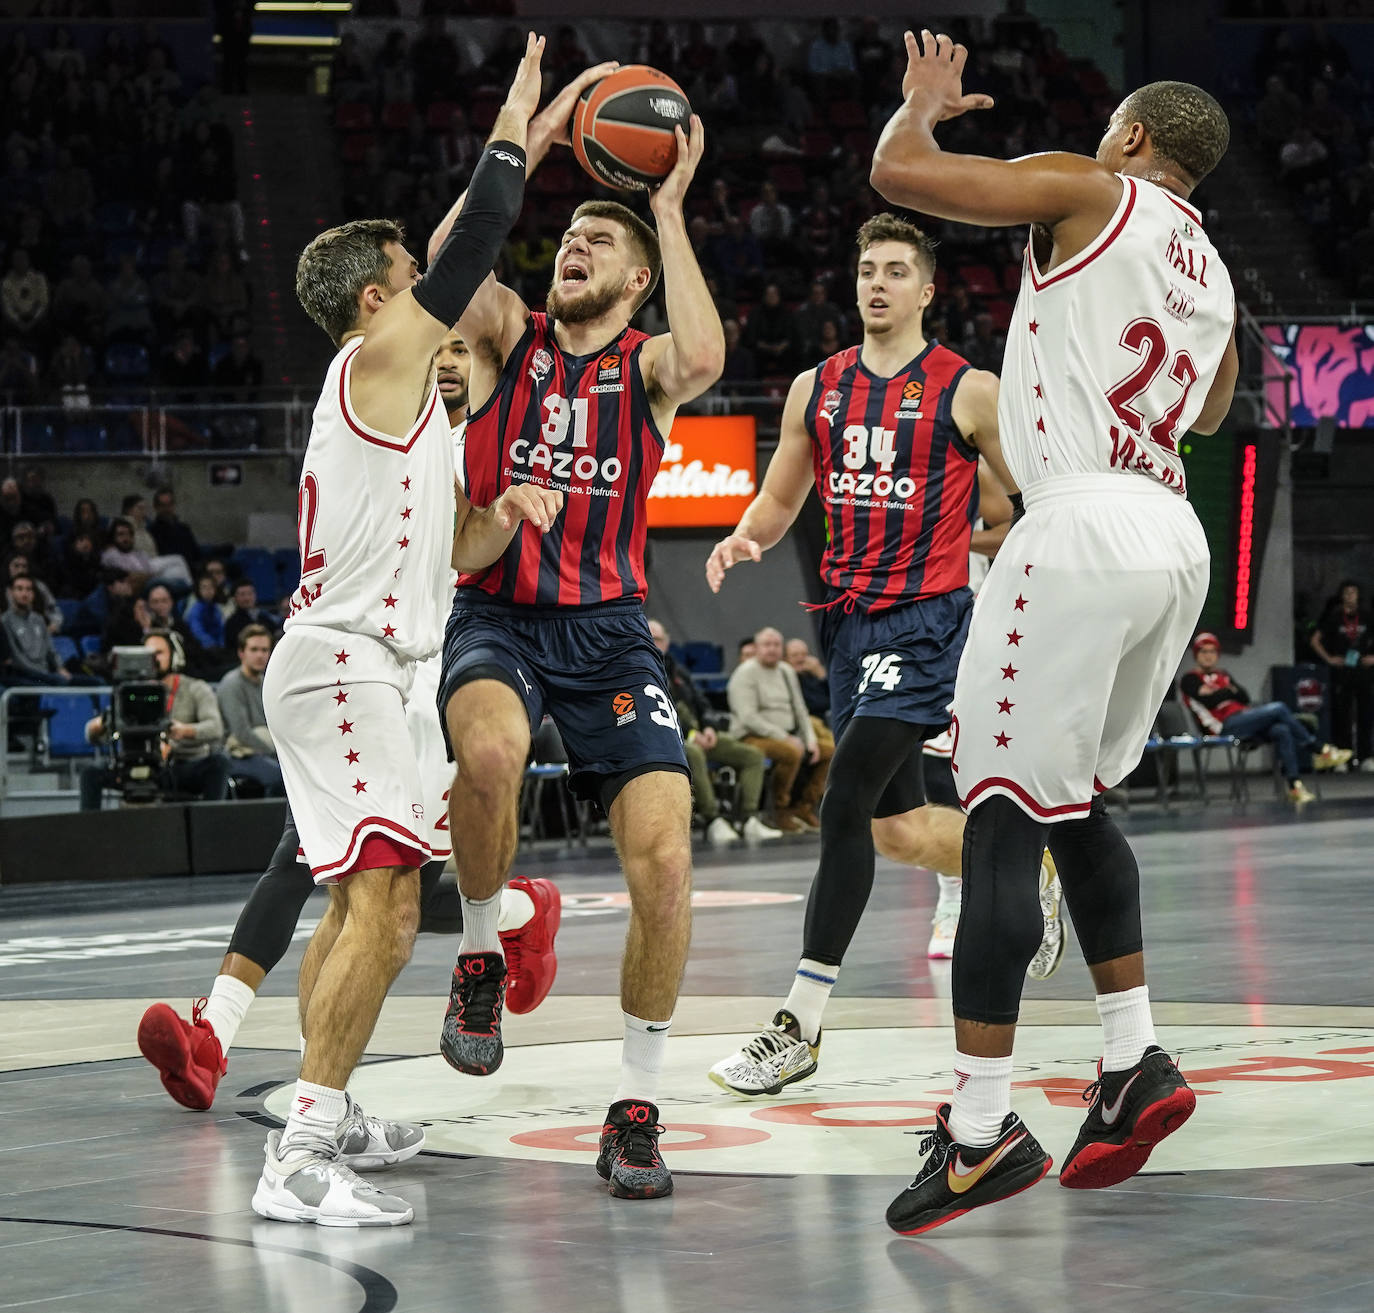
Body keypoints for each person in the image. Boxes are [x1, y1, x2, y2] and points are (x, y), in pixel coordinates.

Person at [868, 32, 1240, 1232]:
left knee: (997, 816)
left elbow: (904, 180)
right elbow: (1217, 403)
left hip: (1075, 526)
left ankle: (977, 1129)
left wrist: (920, 106)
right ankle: (1133, 1059)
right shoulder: (1217, 270)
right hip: (1172, 535)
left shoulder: (1093, 189)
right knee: (1076, 799)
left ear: (1132, 138)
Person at [245, 36, 547, 1229]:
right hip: (347, 666)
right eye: (412, 272)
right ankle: (303, 1154)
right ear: (379, 301)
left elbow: (456, 551)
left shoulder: (405, 404)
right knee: (383, 906)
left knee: (355, 906)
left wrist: (501, 512)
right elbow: (474, 244)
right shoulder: (375, 358)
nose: (435, 280)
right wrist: (515, 124)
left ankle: (325, 1108)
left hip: (381, 664)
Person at [427, 53, 722, 1201]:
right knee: (491, 752)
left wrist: (669, 208)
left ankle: (637, 1105)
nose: (575, 250)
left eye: (601, 246)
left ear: (639, 279)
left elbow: (704, 355)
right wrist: (533, 146)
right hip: (497, 608)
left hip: (605, 633)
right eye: (570, 240)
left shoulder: (650, 369)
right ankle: (478, 957)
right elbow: (456, 260)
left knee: (666, 859)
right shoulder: (509, 336)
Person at [705, 212, 1065, 1099]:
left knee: (844, 797)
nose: (877, 283)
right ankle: (1035, 868)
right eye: (868, 268)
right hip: (849, 626)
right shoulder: (815, 388)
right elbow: (780, 495)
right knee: (896, 829)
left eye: (897, 271)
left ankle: (799, 1022)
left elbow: (1038, 490)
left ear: (926, 290)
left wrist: (1032, 569)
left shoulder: (967, 390)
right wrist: (745, 538)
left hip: (927, 623)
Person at [649, 617, 780, 843]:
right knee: (695, 754)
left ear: (667, 642)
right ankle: (712, 820)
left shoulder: (677, 670)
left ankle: (749, 818)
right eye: (649, 638)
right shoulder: (639, 672)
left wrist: (709, 726)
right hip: (669, 741)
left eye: (659, 639)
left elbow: (702, 703)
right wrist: (691, 734)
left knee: (752, 756)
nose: (654, 643)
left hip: (701, 734)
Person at [1181, 631, 1349, 802]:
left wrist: (1223, 693)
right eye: (1204, 652)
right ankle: (1318, 749)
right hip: (1222, 727)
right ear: (1196, 655)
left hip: (1243, 718)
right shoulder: (1190, 679)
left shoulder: (1223, 675)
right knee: (1279, 708)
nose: (1208, 656)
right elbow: (1209, 700)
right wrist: (1227, 692)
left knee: (1281, 730)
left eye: (1212, 651)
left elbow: (1243, 696)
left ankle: (1294, 786)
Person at [81, 629, 231, 808]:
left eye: (159, 653)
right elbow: (93, 733)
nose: (153, 658)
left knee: (219, 762)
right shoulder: (129, 690)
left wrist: (184, 731)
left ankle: (210, 825)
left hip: (180, 766)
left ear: (175, 656)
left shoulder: (195, 688)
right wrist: (97, 727)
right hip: (135, 763)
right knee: (91, 772)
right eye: (148, 653)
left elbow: (215, 728)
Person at [727, 625, 833, 832]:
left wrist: (809, 738)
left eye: (776, 645)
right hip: (751, 736)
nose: (772, 649)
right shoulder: (745, 673)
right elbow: (748, 717)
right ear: (757, 648)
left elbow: (799, 708)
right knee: (791, 753)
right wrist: (783, 737)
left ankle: (803, 807)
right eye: (767, 644)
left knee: (829, 752)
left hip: (788, 735)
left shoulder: (785, 671)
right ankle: (780, 811)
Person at [1309, 580, 1374, 769]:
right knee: (1341, 715)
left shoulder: (1368, 616)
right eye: (1346, 593)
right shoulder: (1334, 617)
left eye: (1353, 592)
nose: (1350, 596)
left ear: (1358, 595)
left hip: (1363, 672)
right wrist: (1329, 658)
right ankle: (1343, 756)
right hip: (1342, 671)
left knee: (1366, 714)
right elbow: (1315, 640)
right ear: (1341, 595)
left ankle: (1366, 757)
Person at [217, 624, 285, 796]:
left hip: (264, 751)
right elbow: (241, 733)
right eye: (254, 649)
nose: (260, 655)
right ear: (241, 653)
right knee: (279, 776)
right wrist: (276, 752)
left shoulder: (267, 682)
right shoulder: (232, 684)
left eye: (264, 650)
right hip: (236, 754)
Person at [223, 578, 281, 652]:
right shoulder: (231, 623)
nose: (247, 598)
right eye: (242, 594)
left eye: (250, 593)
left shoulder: (265, 618)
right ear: (234, 598)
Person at [785, 636, 830, 717]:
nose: (800, 659)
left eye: (804, 654)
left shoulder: (811, 674)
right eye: (795, 655)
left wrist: (822, 675)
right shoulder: (785, 678)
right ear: (786, 659)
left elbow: (830, 701)